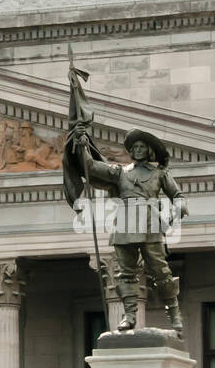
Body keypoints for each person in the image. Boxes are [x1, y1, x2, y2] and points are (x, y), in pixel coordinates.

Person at [77, 129, 187, 333]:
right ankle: (129, 315)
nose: (137, 150)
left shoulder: (159, 174)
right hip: (125, 224)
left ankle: (174, 314)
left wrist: (173, 215)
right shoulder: (120, 172)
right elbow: (91, 167)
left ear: (149, 151)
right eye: (134, 147)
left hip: (150, 224)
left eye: (141, 147)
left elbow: (178, 196)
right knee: (126, 272)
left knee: (161, 272)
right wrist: (82, 145)